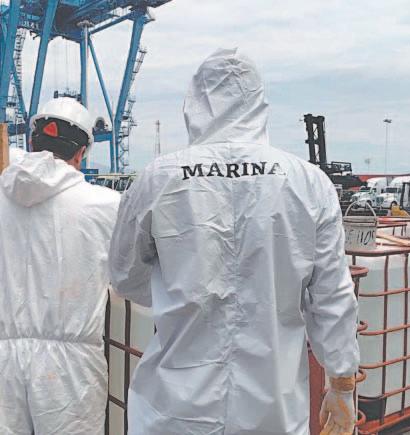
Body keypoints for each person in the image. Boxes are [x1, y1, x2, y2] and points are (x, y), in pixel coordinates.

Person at [109, 48, 359, 435]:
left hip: (175, 407)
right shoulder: (308, 183)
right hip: (273, 410)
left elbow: (126, 277)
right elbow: (332, 298)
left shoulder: (158, 179)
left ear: (194, 103)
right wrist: (341, 383)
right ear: (259, 103)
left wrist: (176, 291)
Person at [0, 97, 120, 435]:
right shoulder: (107, 205)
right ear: (81, 153)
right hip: (70, 370)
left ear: (32, 143)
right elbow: (132, 276)